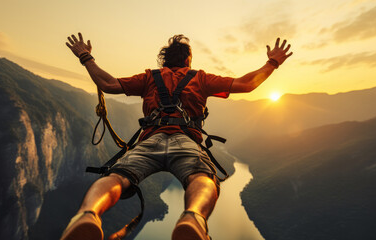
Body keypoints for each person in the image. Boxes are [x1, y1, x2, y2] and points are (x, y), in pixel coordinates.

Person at [62, 33, 292, 240]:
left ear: (164, 59)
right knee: (202, 177)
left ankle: (87, 214)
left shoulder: (150, 77)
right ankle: (192, 218)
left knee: (118, 175)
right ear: (188, 60)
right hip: (186, 141)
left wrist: (85, 57)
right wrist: (272, 62)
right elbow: (246, 84)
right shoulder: (200, 78)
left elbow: (108, 84)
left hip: (150, 140)